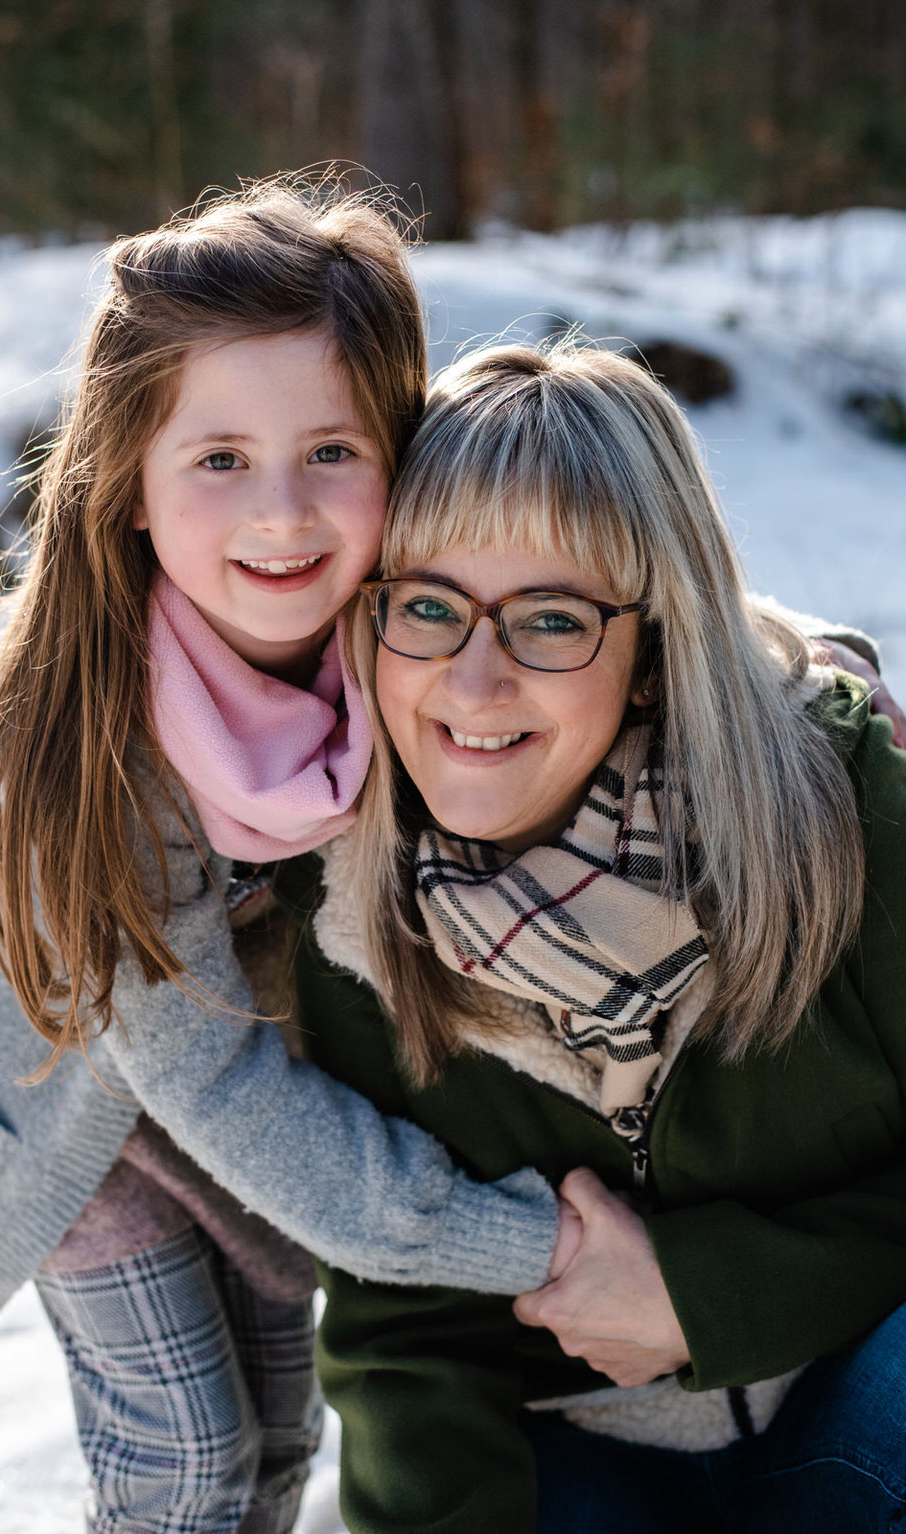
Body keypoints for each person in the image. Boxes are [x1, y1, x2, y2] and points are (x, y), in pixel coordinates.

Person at [0, 184, 567, 1534]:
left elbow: (598, 597)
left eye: (333, 450)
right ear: (127, 480)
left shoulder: (401, 640)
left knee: (272, 1441)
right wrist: (523, 1244)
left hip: (222, 1079)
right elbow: (204, 1073)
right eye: (219, 460)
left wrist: (790, 671)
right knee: (183, 1463)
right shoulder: (82, 736)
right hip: (52, 1086)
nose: (284, 513)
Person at [282, 340, 906, 1533]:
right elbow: (402, 1330)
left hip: (856, 1413)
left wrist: (710, 1295)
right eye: (427, 607)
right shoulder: (347, 917)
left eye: (550, 619)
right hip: (571, 1464)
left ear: (656, 646)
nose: (472, 683)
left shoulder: (847, 807)